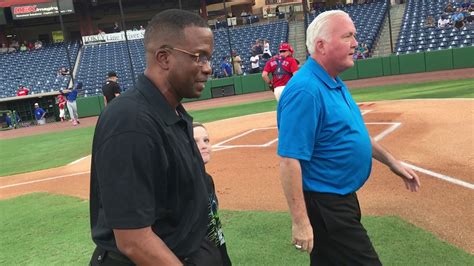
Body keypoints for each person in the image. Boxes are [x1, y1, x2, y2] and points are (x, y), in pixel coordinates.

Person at [277, 10, 421, 265]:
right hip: (327, 206)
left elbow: (354, 133)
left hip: (340, 199)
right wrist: (300, 222)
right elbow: (289, 160)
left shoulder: (332, 80)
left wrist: (391, 162)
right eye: (347, 36)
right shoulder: (305, 90)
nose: (356, 43)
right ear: (321, 45)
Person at [89, 9, 224, 265]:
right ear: (164, 58)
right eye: (199, 57)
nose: (208, 68)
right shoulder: (130, 121)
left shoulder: (173, 111)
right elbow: (134, 240)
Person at [192, 122, 232, 266]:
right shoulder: (185, 184)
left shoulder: (207, 179)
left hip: (218, 250)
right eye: (195, 141)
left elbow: (215, 224)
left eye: (206, 140)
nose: (203, 145)